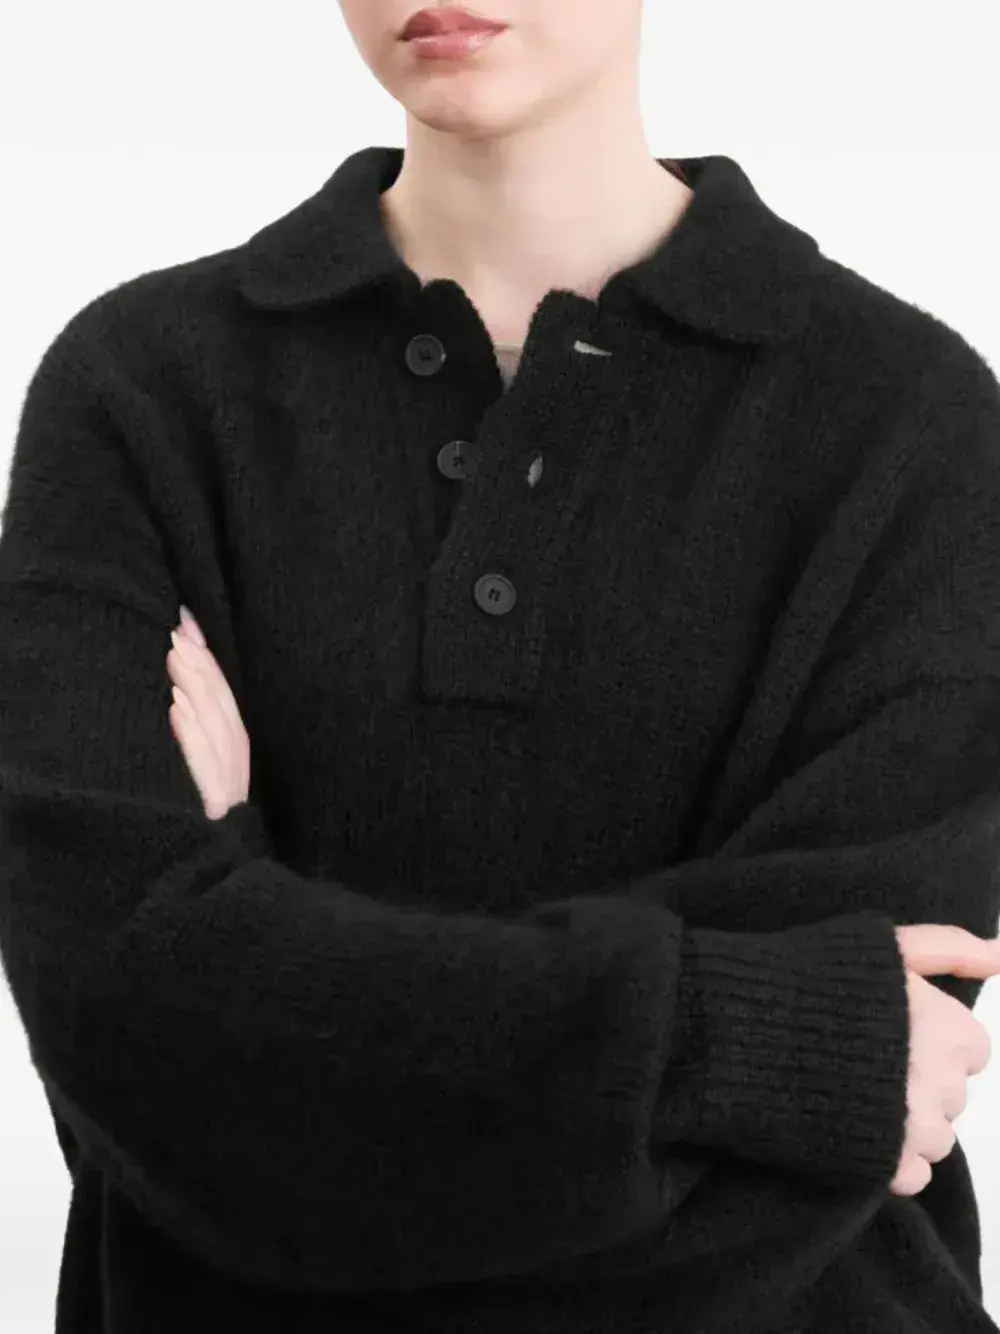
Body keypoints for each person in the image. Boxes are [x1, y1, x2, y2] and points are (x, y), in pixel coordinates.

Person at [1, 2, 1000, 1332]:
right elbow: (125, 1026)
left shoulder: (918, 426)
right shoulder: (138, 393)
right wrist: (750, 1034)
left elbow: (783, 1194)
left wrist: (256, 950)